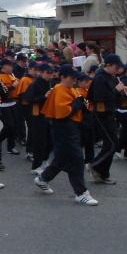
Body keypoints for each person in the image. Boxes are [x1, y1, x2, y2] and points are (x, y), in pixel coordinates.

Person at [33, 65, 98, 205]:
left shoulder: (70, 89)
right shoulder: (59, 89)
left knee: (62, 159)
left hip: (71, 127)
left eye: (75, 78)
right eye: (71, 77)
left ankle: (43, 178)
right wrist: (77, 103)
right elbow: (64, 112)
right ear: (62, 77)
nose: (74, 80)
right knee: (77, 159)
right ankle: (81, 193)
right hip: (63, 127)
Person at [88, 54, 127, 184]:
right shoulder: (100, 78)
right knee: (111, 144)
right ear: (108, 65)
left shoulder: (111, 77)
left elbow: (113, 96)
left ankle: (103, 173)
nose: (118, 71)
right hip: (101, 114)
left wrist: (122, 91)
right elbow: (100, 98)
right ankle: (95, 165)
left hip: (109, 113)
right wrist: (116, 90)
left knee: (111, 143)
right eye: (116, 67)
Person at [22, 63, 52, 174]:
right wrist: (44, 97)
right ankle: (35, 167)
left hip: (47, 114)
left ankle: (44, 160)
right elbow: (27, 98)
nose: (50, 75)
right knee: (40, 141)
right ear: (41, 73)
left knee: (49, 140)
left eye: (51, 73)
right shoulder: (35, 84)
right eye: (47, 73)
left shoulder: (48, 82)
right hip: (37, 115)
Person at [0, 59, 20, 155]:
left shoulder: (11, 75)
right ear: (4, 67)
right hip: (3, 105)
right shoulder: (0, 77)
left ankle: (11, 147)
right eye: (9, 66)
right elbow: (3, 92)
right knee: (9, 126)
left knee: (14, 126)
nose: (12, 67)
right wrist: (13, 86)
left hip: (13, 103)